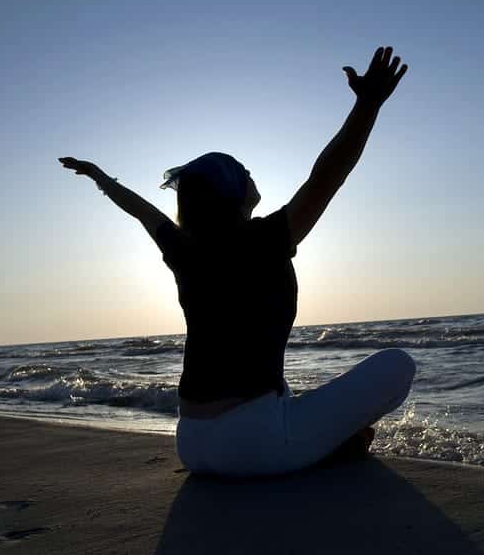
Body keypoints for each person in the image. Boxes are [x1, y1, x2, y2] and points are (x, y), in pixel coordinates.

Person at [59, 46, 415, 476]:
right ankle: (322, 447)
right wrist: (367, 104)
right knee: (399, 365)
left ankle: (318, 442)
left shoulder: (183, 249)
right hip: (254, 445)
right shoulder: (266, 237)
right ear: (231, 192)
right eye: (243, 171)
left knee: (281, 388)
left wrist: (98, 176)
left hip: (190, 441)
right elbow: (329, 173)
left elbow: (140, 209)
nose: (251, 175)